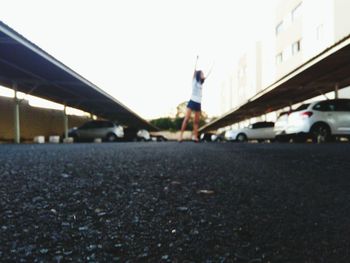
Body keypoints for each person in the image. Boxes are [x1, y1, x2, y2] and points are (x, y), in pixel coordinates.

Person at [179, 56, 212, 142]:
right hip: (192, 101)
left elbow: (208, 73)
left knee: (196, 122)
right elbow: (194, 69)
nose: (203, 75)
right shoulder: (194, 80)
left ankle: (195, 136)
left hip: (198, 103)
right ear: (198, 74)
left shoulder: (201, 83)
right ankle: (180, 136)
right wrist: (196, 60)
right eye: (202, 73)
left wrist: (212, 65)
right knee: (186, 119)